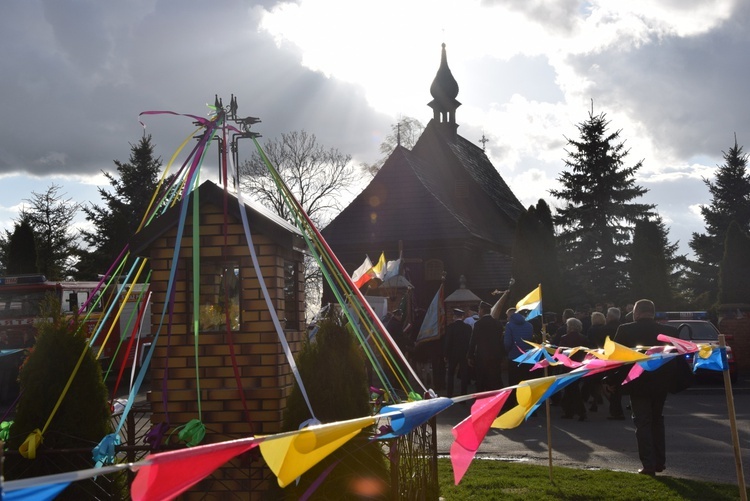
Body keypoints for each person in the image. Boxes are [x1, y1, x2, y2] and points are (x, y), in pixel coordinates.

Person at [610, 299, 678, 476]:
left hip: (637, 383)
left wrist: (610, 381)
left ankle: (648, 464)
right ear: (653, 313)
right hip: (660, 384)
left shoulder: (625, 330)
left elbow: (616, 359)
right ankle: (659, 461)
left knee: (642, 423)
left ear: (636, 313)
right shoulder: (669, 331)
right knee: (657, 420)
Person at [467, 301, 505, 391]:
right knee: (496, 379)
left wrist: (470, 356)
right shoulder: (497, 323)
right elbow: (501, 340)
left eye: (479, 310)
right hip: (495, 356)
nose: (478, 312)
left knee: (481, 380)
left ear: (482, 310)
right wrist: (502, 355)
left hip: (482, 357)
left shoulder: (478, 324)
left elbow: (473, 341)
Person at [559, 317, 590, 421]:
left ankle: (577, 411)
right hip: (580, 365)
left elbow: (561, 353)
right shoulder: (584, 338)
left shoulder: (564, 338)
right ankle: (570, 410)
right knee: (573, 389)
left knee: (570, 389)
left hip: (568, 366)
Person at [444, 308, 472, 397]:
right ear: (462, 317)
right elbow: (470, 341)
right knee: (464, 375)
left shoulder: (450, 327)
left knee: (451, 374)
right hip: (464, 353)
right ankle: (463, 394)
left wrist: (446, 354)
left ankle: (449, 394)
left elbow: (448, 342)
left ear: (454, 316)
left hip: (453, 354)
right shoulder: (468, 328)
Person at [504, 308, 534, 386]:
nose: (507, 318)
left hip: (514, 357)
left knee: (514, 383)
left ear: (511, 315)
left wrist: (508, 352)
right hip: (527, 357)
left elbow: (507, 343)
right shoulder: (529, 325)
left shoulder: (509, 325)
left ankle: (514, 398)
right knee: (525, 381)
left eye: (507, 316)